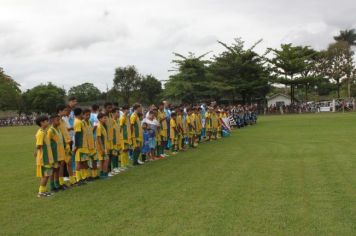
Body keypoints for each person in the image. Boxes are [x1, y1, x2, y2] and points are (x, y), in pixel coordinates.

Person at [34, 115, 54, 197]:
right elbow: (38, 145)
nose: (48, 122)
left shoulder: (44, 131)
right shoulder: (41, 133)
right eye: (46, 121)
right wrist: (36, 152)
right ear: (42, 123)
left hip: (47, 158)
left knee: (47, 174)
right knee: (46, 175)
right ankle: (41, 192)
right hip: (44, 159)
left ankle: (43, 190)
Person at [57, 105, 76, 186]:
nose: (66, 112)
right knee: (61, 164)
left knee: (69, 162)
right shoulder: (56, 121)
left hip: (68, 143)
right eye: (65, 110)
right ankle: (61, 182)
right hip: (62, 145)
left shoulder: (63, 120)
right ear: (60, 111)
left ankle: (72, 181)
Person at [47, 114, 65, 192]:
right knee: (53, 170)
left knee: (57, 169)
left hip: (59, 153)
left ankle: (57, 184)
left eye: (59, 120)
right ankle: (52, 186)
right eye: (57, 120)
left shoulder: (58, 129)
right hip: (54, 154)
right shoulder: (50, 131)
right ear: (52, 121)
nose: (59, 121)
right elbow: (47, 143)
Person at [73, 108, 88, 185]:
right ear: (80, 114)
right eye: (82, 113)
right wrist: (76, 147)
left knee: (83, 161)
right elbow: (77, 135)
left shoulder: (80, 122)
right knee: (79, 162)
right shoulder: (78, 122)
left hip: (83, 145)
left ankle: (84, 177)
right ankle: (78, 179)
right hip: (80, 146)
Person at [82, 109, 98, 180]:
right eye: (86, 115)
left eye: (89, 115)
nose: (87, 116)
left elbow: (91, 132)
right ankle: (88, 176)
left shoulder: (90, 122)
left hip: (92, 144)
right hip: (85, 146)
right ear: (83, 115)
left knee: (94, 159)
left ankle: (94, 175)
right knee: (85, 161)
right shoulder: (82, 123)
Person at [96, 113, 110, 178]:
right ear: (100, 119)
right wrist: (102, 148)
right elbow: (99, 138)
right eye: (104, 118)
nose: (105, 119)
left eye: (106, 118)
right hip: (101, 147)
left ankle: (102, 174)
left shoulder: (102, 126)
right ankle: (104, 173)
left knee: (102, 160)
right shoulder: (99, 126)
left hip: (104, 146)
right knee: (106, 159)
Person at [119, 105, 131, 170]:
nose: (128, 110)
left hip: (127, 137)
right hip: (123, 137)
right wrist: (120, 136)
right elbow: (120, 127)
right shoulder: (122, 118)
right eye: (127, 109)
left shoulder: (127, 117)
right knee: (123, 150)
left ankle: (126, 163)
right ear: (123, 110)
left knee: (127, 150)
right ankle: (123, 164)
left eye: (128, 109)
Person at [111, 108, 121, 175]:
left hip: (118, 140)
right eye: (117, 112)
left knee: (117, 153)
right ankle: (114, 168)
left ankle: (117, 167)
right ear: (114, 113)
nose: (119, 114)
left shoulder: (117, 121)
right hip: (113, 141)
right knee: (114, 154)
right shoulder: (111, 121)